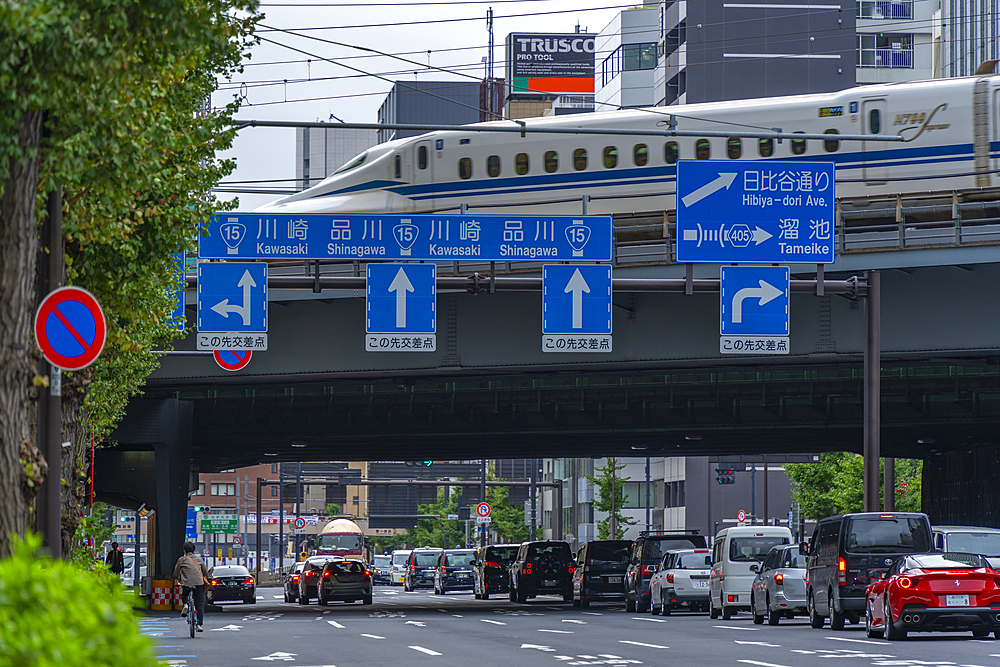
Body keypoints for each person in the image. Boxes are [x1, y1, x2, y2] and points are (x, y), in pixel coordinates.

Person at [173, 541, 209, 632]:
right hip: (199, 583)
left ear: (184, 551)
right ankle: (199, 624)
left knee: (185, 595)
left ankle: (185, 605)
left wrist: (176, 581)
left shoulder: (182, 559)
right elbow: (205, 572)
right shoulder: (199, 559)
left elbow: (176, 573)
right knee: (200, 604)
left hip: (187, 583)